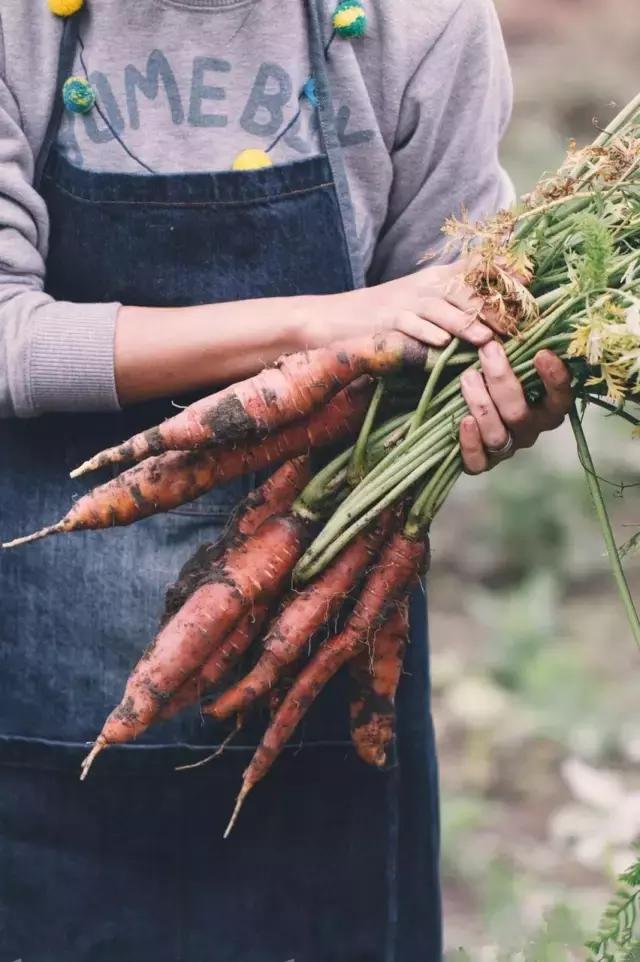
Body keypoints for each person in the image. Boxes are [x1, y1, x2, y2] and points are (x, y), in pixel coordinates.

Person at [0, 0, 572, 959]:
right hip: (37, 724)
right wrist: (316, 325)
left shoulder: (417, 20)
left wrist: (512, 389)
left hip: (320, 689)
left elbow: (458, 314)